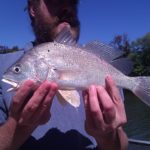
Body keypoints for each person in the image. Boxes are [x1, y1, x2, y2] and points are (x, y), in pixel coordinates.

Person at [0, 0, 128, 149]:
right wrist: (18, 127)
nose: (67, 8)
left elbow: (123, 143)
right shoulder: (2, 67)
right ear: (33, 9)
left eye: (73, 2)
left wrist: (108, 136)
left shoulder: (104, 70)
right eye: (55, 1)